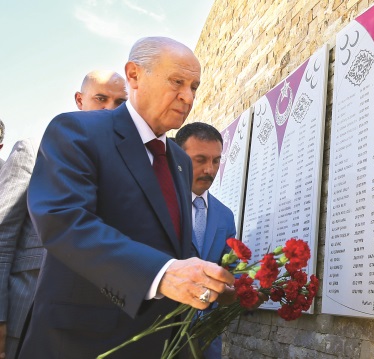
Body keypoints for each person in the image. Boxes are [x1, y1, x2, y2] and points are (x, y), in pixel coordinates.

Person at [19, 37, 235, 359]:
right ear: (134, 75)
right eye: (177, 82)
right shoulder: (77, 131)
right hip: (82, 342)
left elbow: (173, 242)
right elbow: (64, 221)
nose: (188, 97)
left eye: (194, 87)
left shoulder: (177, 159)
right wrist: (161, 274)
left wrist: (213, 280)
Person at [0, 70, 128, 359]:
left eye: (120, 102)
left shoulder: (125, 168)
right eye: (101, 98)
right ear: (79, 100)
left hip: (87, 327)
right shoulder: (34, 150)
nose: (110, 108)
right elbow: (2, 241)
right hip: (23, 316)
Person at [175, 122, 236, 359]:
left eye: (216, 161)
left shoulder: (225, 216)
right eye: (200, 159)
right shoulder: (161, 205)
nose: (210, 169)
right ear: (179, 158)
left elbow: (230, 267)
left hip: (206, 339)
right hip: (161, 332)